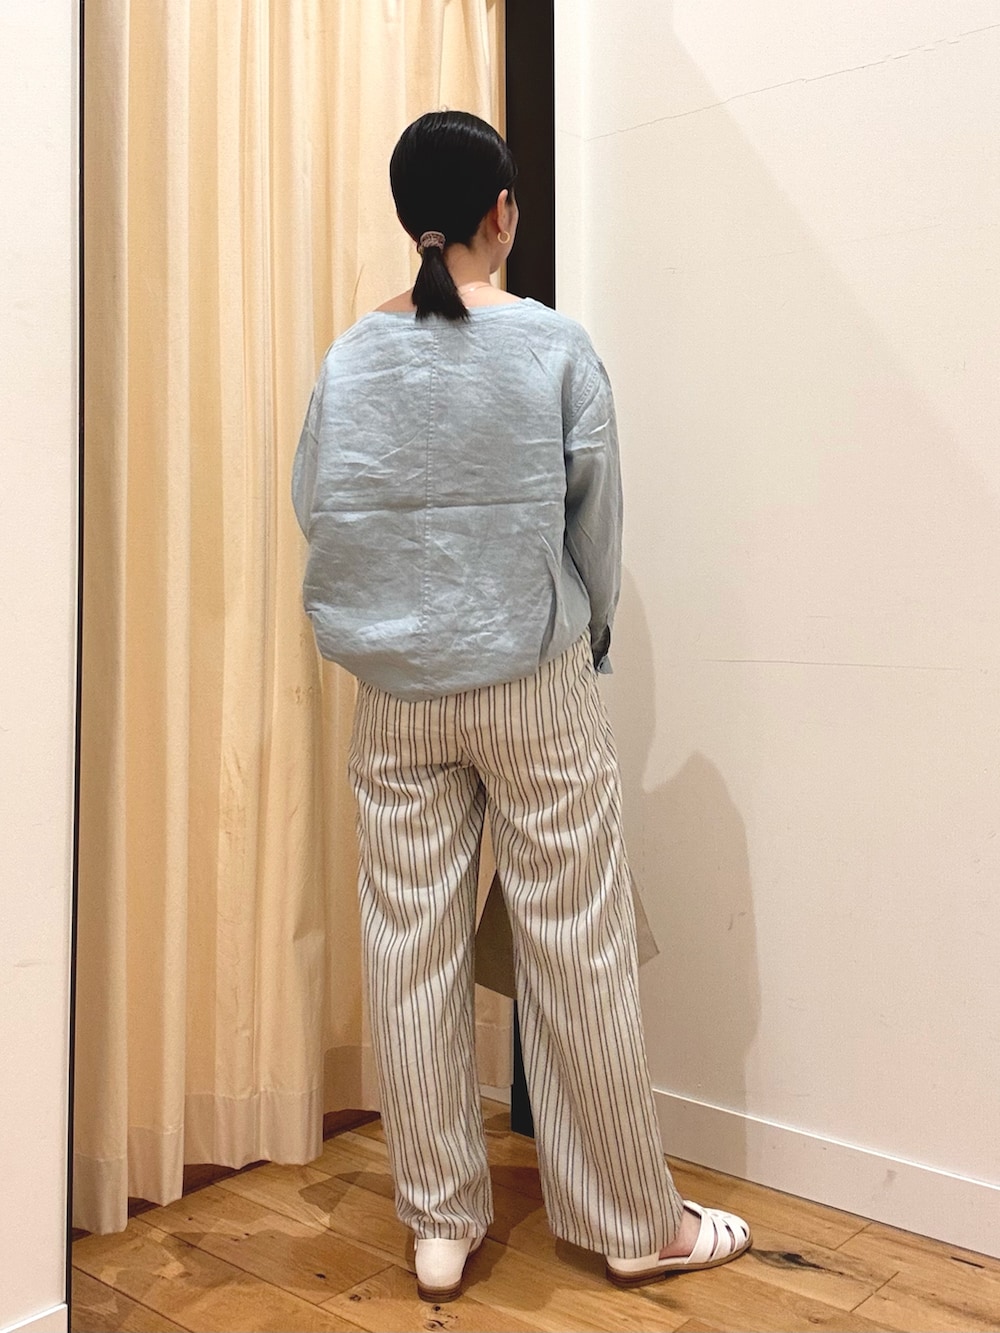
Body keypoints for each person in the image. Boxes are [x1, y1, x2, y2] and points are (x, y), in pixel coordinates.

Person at [291, 109, 751, 1304]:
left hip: (396, 694)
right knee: (574, 942)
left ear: (412, 218)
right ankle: (630, 1220)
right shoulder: (552, 346)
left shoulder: (349, 357)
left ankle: (438, 1224)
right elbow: (597, 523)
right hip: (530, 682)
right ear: (502, 213)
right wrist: (588, 634)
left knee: (409, 946)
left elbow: (316, 505)